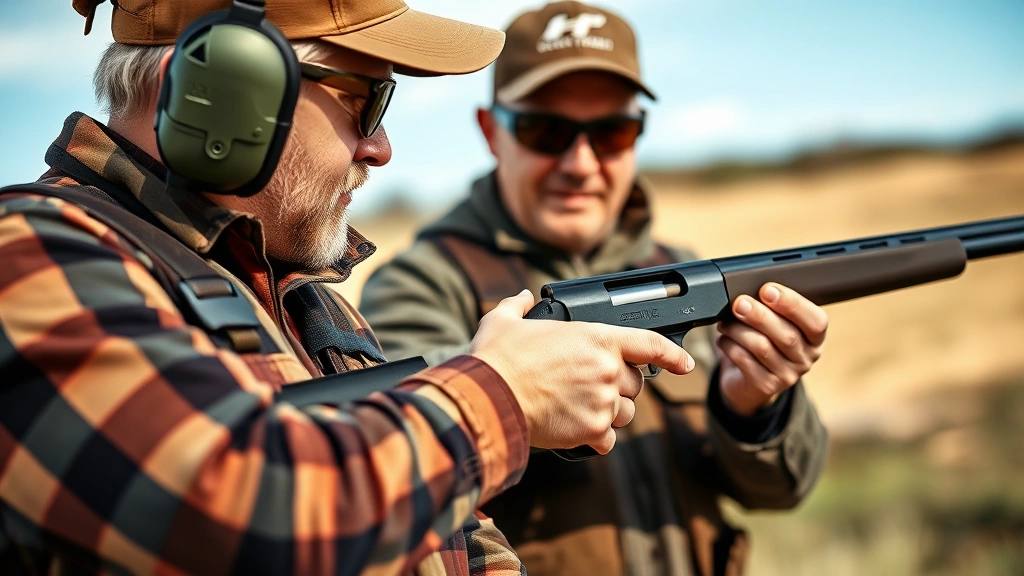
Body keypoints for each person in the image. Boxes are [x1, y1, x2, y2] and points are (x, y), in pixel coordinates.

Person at [0, 1, 698, 574]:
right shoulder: (28, 259)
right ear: (219, 92)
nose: (380, 146)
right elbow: (246, 519)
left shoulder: (307, 300)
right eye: (365, 99)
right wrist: (501, 394)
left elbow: (458, 539)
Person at [359, 2, 830, 575]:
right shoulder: (426, 281)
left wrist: (753, 410)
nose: (581, 164)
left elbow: (781, 491)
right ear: (491, 132)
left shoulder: (684, 269)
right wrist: (510, 388)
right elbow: (383, 463)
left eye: (612, 131)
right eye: (546, 131)